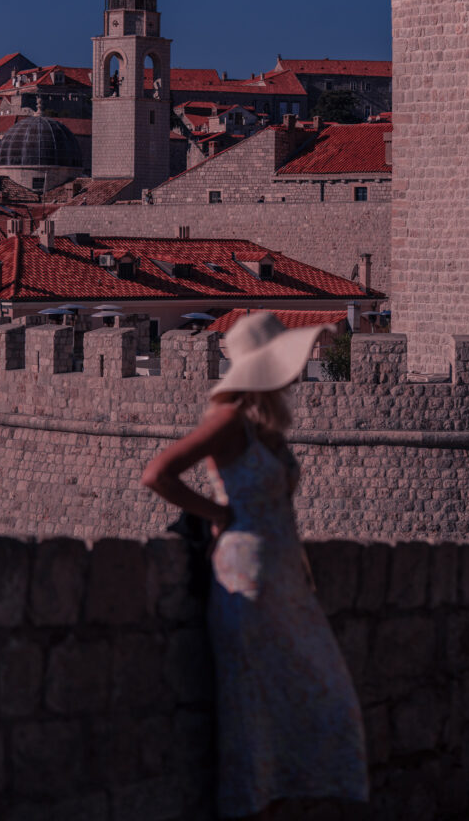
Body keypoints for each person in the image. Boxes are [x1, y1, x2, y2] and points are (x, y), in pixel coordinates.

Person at [142, 312, 369, 819]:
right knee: (257, 715)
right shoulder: (229, 421)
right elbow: (158, 473)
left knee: (329, 702)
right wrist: (218, 512)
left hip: (286, 579)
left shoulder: (267, 428)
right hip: (246, 580)